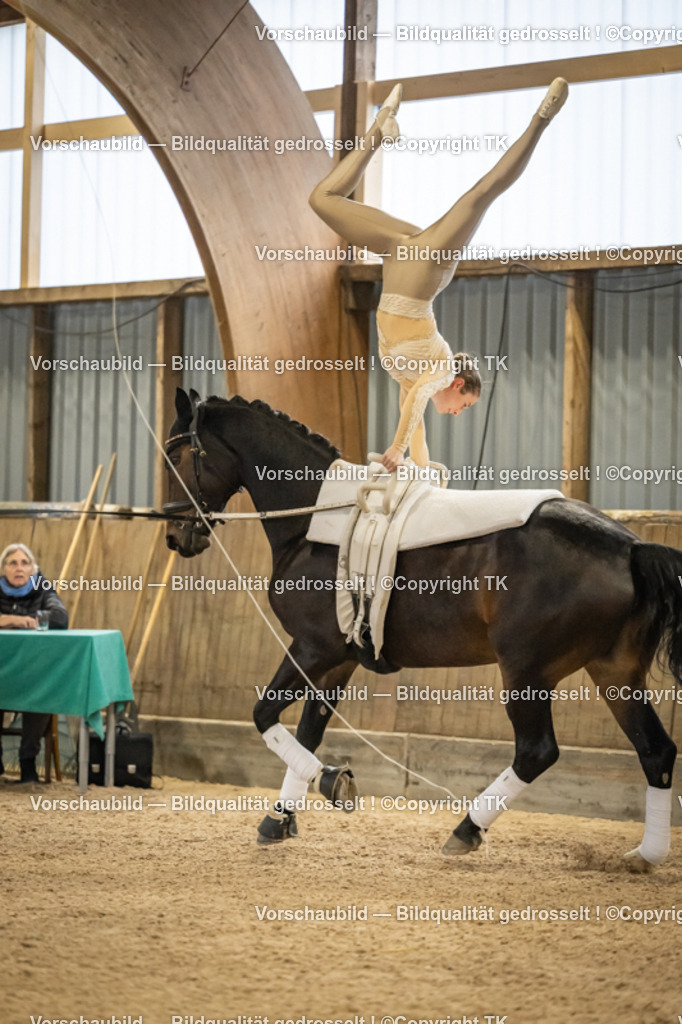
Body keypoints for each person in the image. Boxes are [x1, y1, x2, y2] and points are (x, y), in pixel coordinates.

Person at [309, 78, 568, 471]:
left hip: (396, 252)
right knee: (481, 194)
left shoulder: (415, 380)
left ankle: (380, 129)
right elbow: (414, 411)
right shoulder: (442, 368)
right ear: (458, 385)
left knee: (321, 199)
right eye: (464, 405)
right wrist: (395, 450)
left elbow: (416, 425)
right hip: (427, 262)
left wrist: (421, 465)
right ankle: (542, 119)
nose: (457, 413)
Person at [0, 542, 68, 783]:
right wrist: (12, 620)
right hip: (2, 672)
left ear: (33, 569)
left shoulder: (42, 587)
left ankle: (27, 764)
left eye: (25, 563)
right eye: (13, 563)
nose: (19, 568)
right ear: (3, 569)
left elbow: (60, 618)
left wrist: (16, 620)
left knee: (40, 695)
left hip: (33, 672)